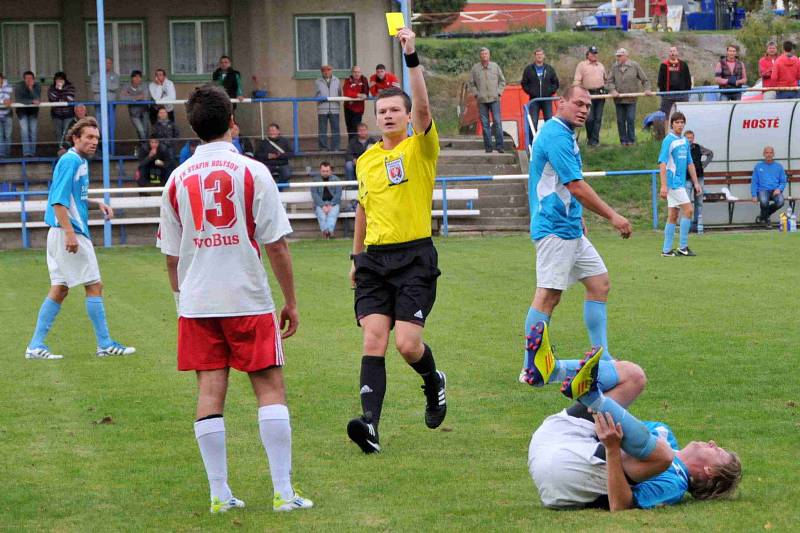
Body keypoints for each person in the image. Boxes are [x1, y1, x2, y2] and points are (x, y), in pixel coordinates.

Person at [157, 84, 313, 513]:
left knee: (210, 392)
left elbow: (172, 256)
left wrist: (179, 302)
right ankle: (282, 492)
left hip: (198, 303)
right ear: (232, 122)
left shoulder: (175, 179)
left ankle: (219, 495)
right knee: (269, 389)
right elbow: (277, 245)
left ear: (193, 127)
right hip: (247, 297)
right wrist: (291, 301)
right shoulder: (254, 171)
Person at [348, 27, 447, 454]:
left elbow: (424, 104)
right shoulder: (366, 160)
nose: (387, 116)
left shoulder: (419, 150)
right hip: (374, 260)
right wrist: (355, 257)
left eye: (395, 110)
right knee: (374, 339)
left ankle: (433, 380)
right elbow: (364, 209)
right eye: (381, 111)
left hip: (414, 259)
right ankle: (369, 425)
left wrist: (412, 58)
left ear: (408, 117)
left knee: (407, 345)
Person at [525, 322, 741, 511]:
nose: (713, 443)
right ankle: (552, 371)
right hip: (556, 435)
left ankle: (591, 394)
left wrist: (612, 449)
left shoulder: (674, 485)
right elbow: (613, 427)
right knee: (634, 376)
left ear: (709, 471)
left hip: (566, 476)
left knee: (663, 456)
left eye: (719, 451)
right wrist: (612, 373)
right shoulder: (665, 433)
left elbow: (621, 505)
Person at [523, 85, 632, 383]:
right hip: (554, 227)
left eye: (588, 105)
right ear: (561, 103)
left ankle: (603, 356)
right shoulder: (556, 135)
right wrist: (613, 216)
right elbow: (575, 186)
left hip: (569, 225)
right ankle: (531, 367)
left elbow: (561, 184)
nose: (584, 109)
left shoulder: (566, 134)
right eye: (578, 103)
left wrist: (579, 215)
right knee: (548, 295)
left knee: (599, 283)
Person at [25, 117, 135, 360]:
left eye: (96, 138)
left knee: (60, 289)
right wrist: (70, 233)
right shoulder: (70, 161)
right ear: (75, 138)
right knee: (94, 285)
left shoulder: (79, 162)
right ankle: (105, 344)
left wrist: (97, 204)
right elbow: (58, 201)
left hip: (59, 233)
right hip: (69, 232)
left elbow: (73, 198)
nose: (94, 142)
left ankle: (35, 346)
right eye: (89, 137)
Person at [659, 112, 701, 257]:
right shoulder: (668, 140)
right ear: (672, 124)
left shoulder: (684, 141)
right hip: (673, 184)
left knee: (673, 215)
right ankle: (683, 247)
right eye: (677, 122)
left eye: (682, 122)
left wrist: (696, 183)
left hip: (680, 183)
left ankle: (666, 250)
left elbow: (690, 163)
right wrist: (663, 185)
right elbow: (663, 163)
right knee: (689, 210)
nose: (680, 125)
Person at [607, 48, 652, 146]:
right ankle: (623, 141)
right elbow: (609, 81)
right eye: (617, 56)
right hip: (618, 99)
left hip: (631, 99)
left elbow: (645, 80)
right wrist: (613, 90)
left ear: (626, 56)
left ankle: (631, 141)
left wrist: (647, 89)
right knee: (620, 121)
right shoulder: (614, 67)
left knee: (630, 119)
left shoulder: (634, 65)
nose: (618, 58)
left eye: (620, 56)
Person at [469, 47, 507, 152]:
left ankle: (500, 147)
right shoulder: (475, 69)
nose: (484, 55)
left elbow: (502, 81)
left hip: (494, 99)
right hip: (482, 101)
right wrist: (476, 94)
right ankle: (488, 148)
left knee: (497, 122)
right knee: (485, 125)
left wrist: (499, 92)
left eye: (486, 53)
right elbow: (471, 84)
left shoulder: (495, 67)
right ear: (480, 56)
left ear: (489, 55)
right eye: (482, 54)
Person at [573, 46, 607, 147]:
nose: (594, 55)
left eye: (596, 53)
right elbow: (577, 80)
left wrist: (607, 88)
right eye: (592, 53)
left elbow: (606, 79)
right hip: (587, 94)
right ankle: (590, 138)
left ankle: (595, 141)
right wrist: (576, 92)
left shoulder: (600, 65)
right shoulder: (582, 65)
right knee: (589, 118)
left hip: (600, 94)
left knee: (598, 118)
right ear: (588, 55)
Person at [521, 48, 558, 134]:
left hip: (547, 100)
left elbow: (556, 83)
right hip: (534, 100)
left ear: (544, 56)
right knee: (533, 123)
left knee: (549, 122)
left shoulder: (549, 69)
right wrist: (531, 92)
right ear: (535, 56)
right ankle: (533, 144)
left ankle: (549, 142)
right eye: (537, 55)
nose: (539, 56)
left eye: (541, 54)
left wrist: (549, 91)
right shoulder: (528, 69)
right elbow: (524, 83)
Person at [684, 130, 713, 232]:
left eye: (691, 138)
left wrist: (703, 165)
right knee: (687, 202)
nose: (689, 140)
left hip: (699, 177)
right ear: (684, 138)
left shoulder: (698, 147)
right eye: (687, 138)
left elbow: (710, 153)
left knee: (699, 202)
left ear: (693, 138)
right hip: (687, 178)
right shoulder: (681, 149)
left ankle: (698, 224)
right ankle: (687, 225)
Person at [751, 146, 786, 227]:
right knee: (763, 201)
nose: (769, 154)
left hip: (775, 190)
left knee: (781, 202)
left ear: (773, 154)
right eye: (767, 152)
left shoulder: (779, 166)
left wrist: (779, 189)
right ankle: (767, 220)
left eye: (770, 153)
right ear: (764, 154)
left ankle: (763, 215)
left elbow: (783, 181)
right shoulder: (758, 166)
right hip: (763, 190)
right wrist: (754, 195)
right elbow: (754, 182)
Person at [90, 58, 120, 153]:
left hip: (111, 107)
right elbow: (94, 88)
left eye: (110, 63)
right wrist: (108, 87)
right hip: (99, 106)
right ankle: (100, 150)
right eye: (106, 63)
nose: (108, 65)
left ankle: (111, 151)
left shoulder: (115, 76)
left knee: (111, 127)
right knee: (99, 128)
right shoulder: (95, 75)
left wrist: (102, 85)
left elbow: (116, 87)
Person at [119, 70, 150, 151]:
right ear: (132, 78)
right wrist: (137, 97)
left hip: (145, 111)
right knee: (141, 131)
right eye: (135, 77)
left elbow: (145, 97)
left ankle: (143, 148)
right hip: (134, 114)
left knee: (146, 131)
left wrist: (131, 97)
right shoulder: (126, 86)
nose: (138, 79)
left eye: (139, 77)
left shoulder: (144, 85)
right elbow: (122, 98)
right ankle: (144, 148)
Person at [311, 161, 342, 239]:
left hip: (334, 203)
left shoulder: (337, 180)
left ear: (330, 171)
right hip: (320, 203)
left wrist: (331, 205)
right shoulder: (315, 180)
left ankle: (327, 232)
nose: (325, 173)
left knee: (332, 214)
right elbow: (314, 195)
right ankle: (328, 232)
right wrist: (323, 206)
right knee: (321, 215)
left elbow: (338, 194)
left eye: (327, 171)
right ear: (320, 171)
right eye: (323, 171)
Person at [657, 47, 692, 117]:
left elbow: (688, 79)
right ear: (669, 54)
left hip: (682, 94)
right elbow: (660, 80)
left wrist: (686, 91)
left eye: (674, 51)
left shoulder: (683, 64)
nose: (672, 53)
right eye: (671, 51)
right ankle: (666, 128)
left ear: (677, 53)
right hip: (667, 95)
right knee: (665, 116)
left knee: (683, 115)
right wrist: (663, 92)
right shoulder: (664, 65)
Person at [14, 71, 41, 157]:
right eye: (27, 78)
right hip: (22, 111)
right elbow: (19, 100)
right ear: (23, 79)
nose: (29, 80)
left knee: (33, 131)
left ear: (34, 79)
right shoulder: (19, 86)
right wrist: (31, 101)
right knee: (24, 131)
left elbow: (37, 99)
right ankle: (26, 153)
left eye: (31, 78)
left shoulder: (37, 85)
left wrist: (31, 89)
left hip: (33, 112)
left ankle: (32, 153)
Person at [315, 65, 342, 151]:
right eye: (324, 71)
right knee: (322, 130)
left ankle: (335, 148)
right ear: (321, 72)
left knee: (335, 129)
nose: (326, 72)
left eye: (328, 70)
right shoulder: (317, 81)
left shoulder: (337, 80)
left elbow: (339, 93)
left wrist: (337, 103)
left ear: (331, 71)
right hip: (322, 108)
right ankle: (323, 148)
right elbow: (316, 94)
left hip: (334, 108)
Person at [48, 72, 76, 150]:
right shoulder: (52, 87)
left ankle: (68, 149)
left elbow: (70, 98)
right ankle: (60, 150)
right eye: (57, 79)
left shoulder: (70, 86)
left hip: (68, 113)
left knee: (67, 132)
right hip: (56, 114)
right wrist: (59, 90)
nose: (59, 81)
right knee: (58, 133)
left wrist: (60, 93)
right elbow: (52, 99)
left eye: (61, 79)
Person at [342, 66, 370, 141]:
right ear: (352, 73)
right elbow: (347, 92)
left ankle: (354, 146)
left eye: (358, 72)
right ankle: (351, 146)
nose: (356, 74)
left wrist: (357, 96)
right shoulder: (348, 80)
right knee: (349, 129)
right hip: (348, 108)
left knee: (355, 129)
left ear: (360, 73)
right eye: (355, 72)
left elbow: (366, 93)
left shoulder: (364, 80)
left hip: (358, 109)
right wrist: (358, 95)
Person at [0, 72, 12, 157]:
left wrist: (5, 101)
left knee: (8, 135)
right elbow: (4, 101)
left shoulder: (8, 86)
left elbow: (8, 101)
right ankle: (1, 154)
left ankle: (7, 155)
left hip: (7, 114)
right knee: (0, 136)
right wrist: (2, 101)